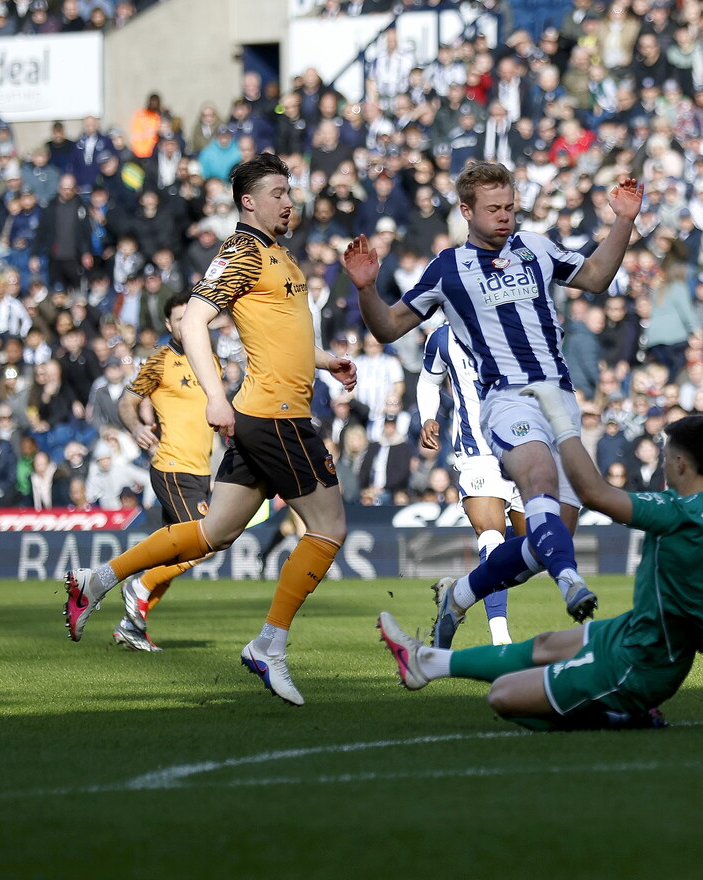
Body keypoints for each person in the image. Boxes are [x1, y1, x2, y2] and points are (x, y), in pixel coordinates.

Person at [62, 154, 357, 706]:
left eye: (288, 191)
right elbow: (195, 319)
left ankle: (96, 580)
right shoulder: (243, 250)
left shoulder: (276, 251)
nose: (288, 201)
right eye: (276, 193)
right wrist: (216, 397)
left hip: (270, 410)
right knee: (329, 526)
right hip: (275, 415)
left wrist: (325, 360)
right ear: (248, 202)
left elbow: (281, 335)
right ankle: (269, 645)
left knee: (213, 534)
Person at [379, 399, 703, 731]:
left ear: (679, 463)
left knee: (504, 699)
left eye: (665, 455)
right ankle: (427, 663)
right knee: (546, 643)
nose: (663, 462)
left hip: (643, 664)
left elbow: (593, 494)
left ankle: (624, 714)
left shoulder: (673, 511)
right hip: (639, 633)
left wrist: (561, 424)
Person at [344, 165, 644, 646]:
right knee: (539, 480)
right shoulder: (448, 268)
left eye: (509, 207)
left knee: (550, 542)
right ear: (466, 211)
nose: (505, 217)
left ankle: (459, 595)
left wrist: (624, 220)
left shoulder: (536, 247)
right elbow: (388, 327)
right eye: (493, 209)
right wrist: (364, 289)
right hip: (506, 398)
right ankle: (572, 585)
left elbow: (596, 276)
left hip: (560, 399)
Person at [111, 292, 221, 653]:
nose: (186, 324)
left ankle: (131, 627)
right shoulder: (160, 362)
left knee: (173, 556)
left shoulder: (210, 360)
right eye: (178, 319)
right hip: (173, 466)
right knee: (203, 545)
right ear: (169, 325)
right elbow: (126, 402)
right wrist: (135, 428)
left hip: (200, 469)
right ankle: (137, 587)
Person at [417, 321, 524, 646]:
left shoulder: (517, 323)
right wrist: (427, 416)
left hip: (524, 447)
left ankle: (459, 592)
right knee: (491, 536)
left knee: (535, 550)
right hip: (476, 451)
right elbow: (428, 381)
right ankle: (501, 640)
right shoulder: (443, 338)